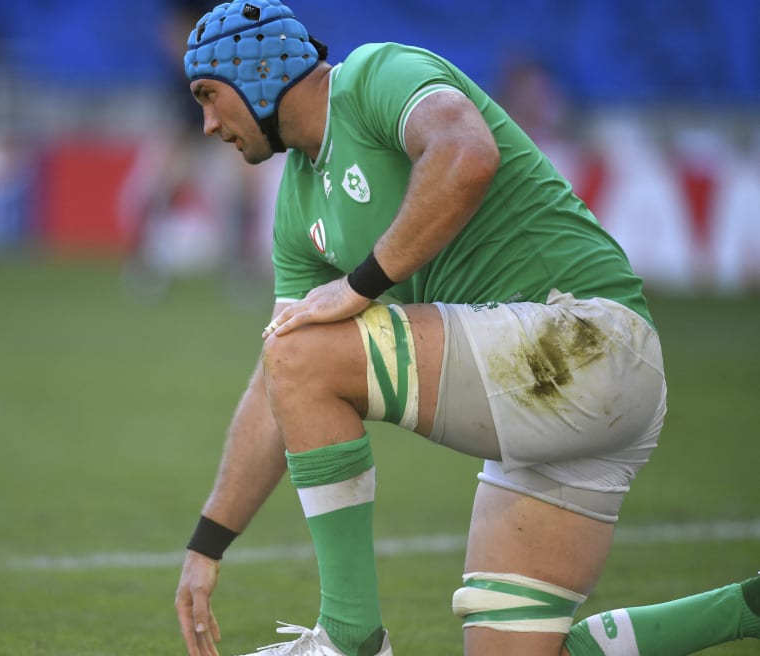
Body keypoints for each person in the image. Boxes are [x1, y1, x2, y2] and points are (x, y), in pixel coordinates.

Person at [172, 2, 760, 655]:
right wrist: (207, 545)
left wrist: (358, 285)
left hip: (586, 339)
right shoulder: (298, 204)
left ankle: (348, 639)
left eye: (208, 95)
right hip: (558, 396)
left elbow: (466, 154)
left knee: (306, 351)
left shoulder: (375, 76)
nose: (206, 123)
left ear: (257, 72)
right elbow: (276, 379)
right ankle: (748, 608)